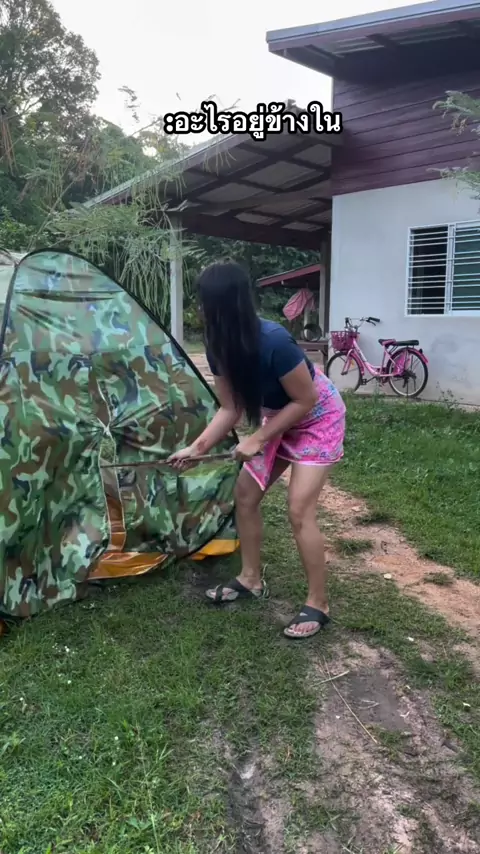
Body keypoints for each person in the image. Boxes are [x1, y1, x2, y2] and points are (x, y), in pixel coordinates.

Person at [169, 260, 346, 640]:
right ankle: (250, 579)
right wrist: (195, 448)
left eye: (203, 300)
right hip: (280, 417)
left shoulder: (274, 341)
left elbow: (306, 399)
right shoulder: (218, 346)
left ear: (223, 303)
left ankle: (319, 603)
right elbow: (230, 408)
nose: (199, 308)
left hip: (317, 416)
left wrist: (259, 439)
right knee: (245, 495)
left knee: (298, 509)